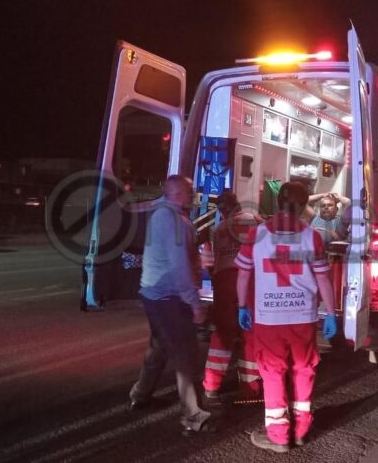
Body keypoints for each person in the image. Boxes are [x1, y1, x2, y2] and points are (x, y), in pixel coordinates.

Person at [235, 181, 338, 453]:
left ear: (278, 204)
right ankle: (302, 428)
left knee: (271, 372)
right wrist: (330, 312)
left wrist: (242, 306)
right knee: (304, 369)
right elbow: (323, 278)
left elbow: (244, 273)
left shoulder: (256, 235)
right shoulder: (311, 236)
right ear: (305, 206)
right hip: (303, 316)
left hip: (268, 318)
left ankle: (279, 434)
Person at [128, 175, 215, 436]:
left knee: (159, 346)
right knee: (185, 354)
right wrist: (195, 302)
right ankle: (194, 416)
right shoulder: (174, 221)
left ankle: (140, 395)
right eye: (189, 190)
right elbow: (179, 268)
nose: (193, 193)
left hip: (153, 294)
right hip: (169, 297)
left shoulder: (162, 213)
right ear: (178, 193)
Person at [201, 191, 263, 403]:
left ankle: (211, 386)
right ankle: (250, 387)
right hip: (250, 281)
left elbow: (209, 263)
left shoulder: (217, 230)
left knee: (222, 334)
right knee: (250, 334)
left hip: (224, 280)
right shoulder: (256, 220)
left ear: (222, 210)